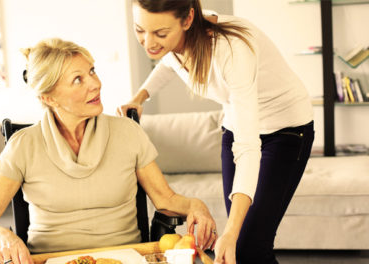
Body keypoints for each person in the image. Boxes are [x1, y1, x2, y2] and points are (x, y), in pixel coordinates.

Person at [0, 38, 216, 264]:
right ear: (49, 99)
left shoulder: (128, 133)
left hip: (125, 258)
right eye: (78, 79)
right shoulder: (23, 145)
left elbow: (166, 200)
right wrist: (1, 236)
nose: (95, 84)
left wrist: (196, 205)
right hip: (50, 259)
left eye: (92, 72)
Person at [118, 1, 314, 263]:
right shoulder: (175, 44)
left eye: (160, 34)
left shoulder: (231, 50)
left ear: (187, 20)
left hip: (286, 130)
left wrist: (230, 233)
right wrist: (140, 97)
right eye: (139, 30)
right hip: (236, 125)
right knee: (246, 246)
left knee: (248, 244)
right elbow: (167, 64)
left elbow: (248, 148)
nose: (148, 42)